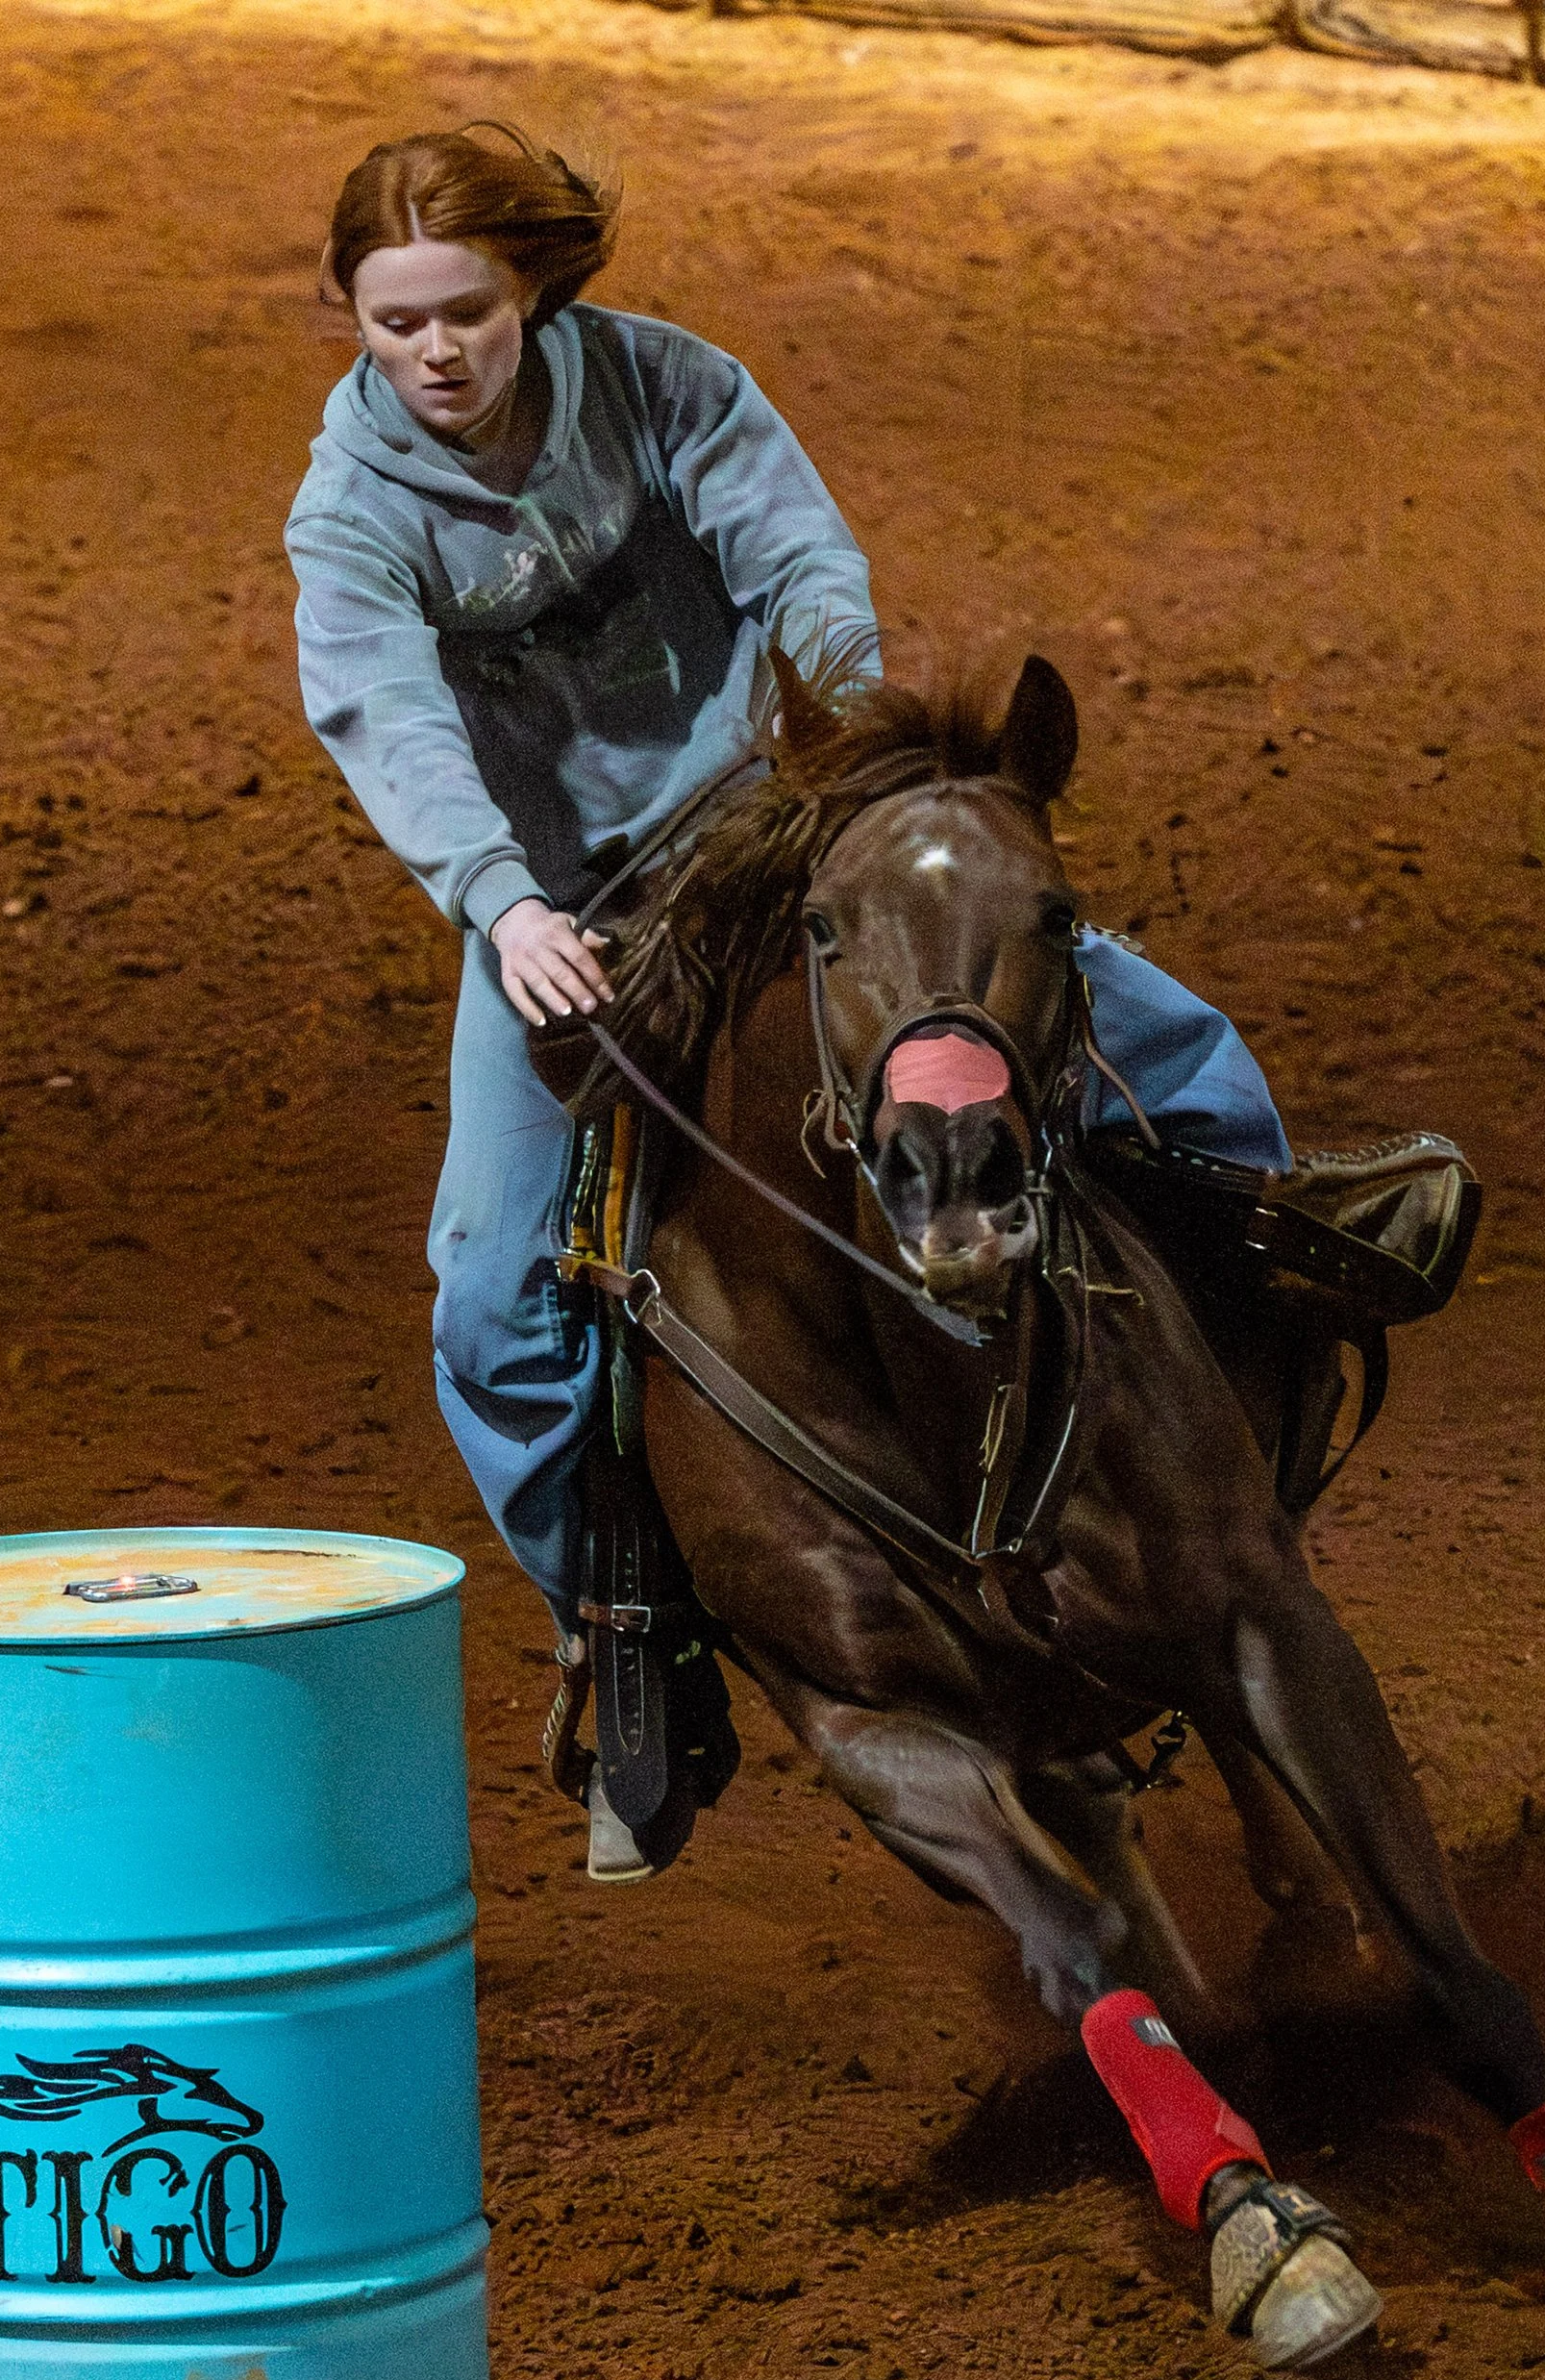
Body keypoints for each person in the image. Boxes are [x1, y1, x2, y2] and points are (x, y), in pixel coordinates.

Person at [285, 125, 1296, 1873]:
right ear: (351, 319)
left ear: (535, 292)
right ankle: (636, 1633)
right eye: (395, 325)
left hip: (772, 824)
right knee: (490, 1308)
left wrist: (832, 757)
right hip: (562, 909)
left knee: (1183, 1064)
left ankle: (1266, 1372)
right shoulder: (352, 514)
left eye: (467, 312)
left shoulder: (674, 386)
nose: (435, 353)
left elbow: (801, 561)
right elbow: (386, 712)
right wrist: (502, 901)